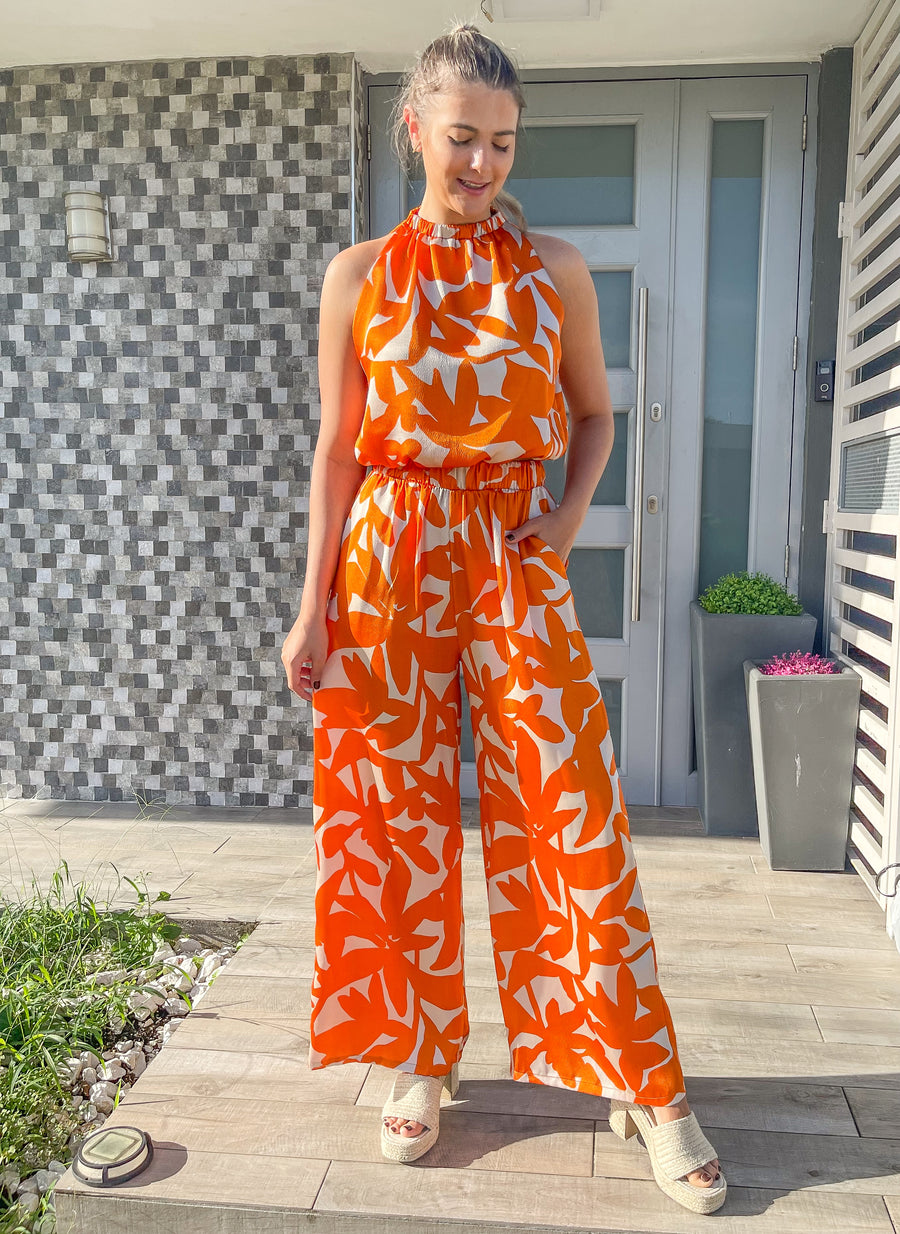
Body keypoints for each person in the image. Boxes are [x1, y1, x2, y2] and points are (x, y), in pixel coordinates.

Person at [280, 21, 726, 1217]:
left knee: (568, 809)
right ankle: (422, 1053)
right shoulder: (358, 275)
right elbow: (334, 452)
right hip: (387, 561)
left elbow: (593, 418)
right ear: (414, 129)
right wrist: (309, 605)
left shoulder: (559, 270)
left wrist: (569, 520)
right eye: (462, 137)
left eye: (503, 143)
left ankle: (645, 1077)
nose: (482, 163)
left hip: (512, 559)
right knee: (394, 815)